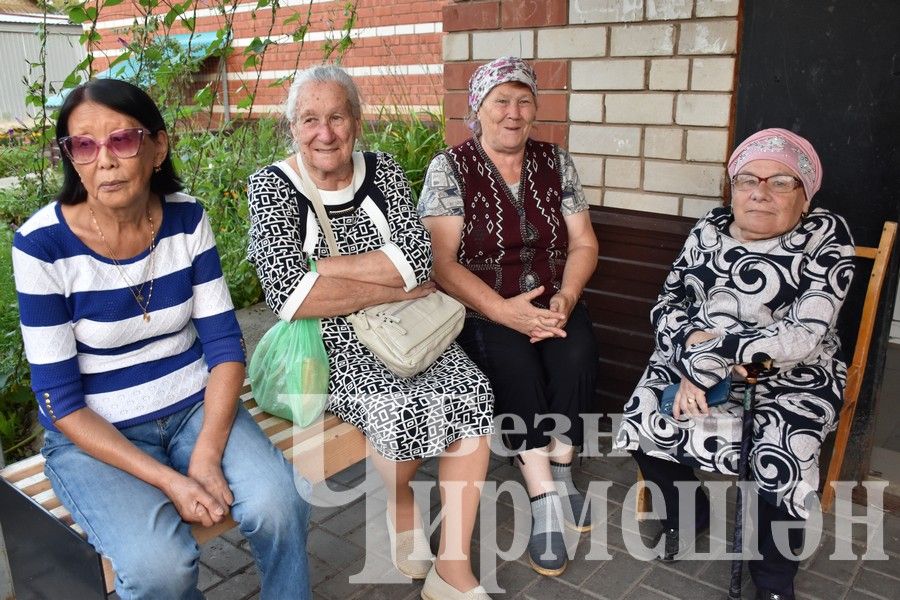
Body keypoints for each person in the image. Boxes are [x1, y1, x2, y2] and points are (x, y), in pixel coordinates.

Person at [12, 79, 311, 599]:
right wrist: (172, 481)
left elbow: (223, 348)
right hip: (97, 438)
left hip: (194, 409)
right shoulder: (41, 246)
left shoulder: (186, 217)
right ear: (70, 158)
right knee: (160, 568)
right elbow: (60, 401)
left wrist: (205, 456)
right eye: (83, 145)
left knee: (279, 503)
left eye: (122, 140)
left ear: (157, 147)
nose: (103, 160)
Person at [246, 65, 495, 600]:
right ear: (293, 127)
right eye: (309, 120)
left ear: (356, 120)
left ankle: (452, 569)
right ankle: (401, 505)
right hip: (328, 346)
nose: (325, 133)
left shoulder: (381, 171)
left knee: (473, 394)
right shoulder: (272, 186)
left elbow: (419, 259)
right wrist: (389, 281)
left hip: (409, 330)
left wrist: (323, 270)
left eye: (336, 116)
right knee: (396, 411)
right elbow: (288, 296)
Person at [615, 128, 856, 600]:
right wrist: (695, 360)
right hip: (691, 362)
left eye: (781, 182)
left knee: (783, 448)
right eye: (747, 180)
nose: (760, 193)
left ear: (805, 197)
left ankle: (771, 576)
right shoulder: (708, 227)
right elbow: (667, 305)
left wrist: (719, 360)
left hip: (793, 374)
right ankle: (689, 513)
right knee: (643, 416)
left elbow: (804, 332)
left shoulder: (827, 236)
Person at [418, 56, 599, 577]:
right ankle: (544, 496)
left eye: (524, 101)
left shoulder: (555, 161)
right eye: (501, 100)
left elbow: (584, 241)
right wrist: (502, 311)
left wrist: (565, 296)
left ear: (536, 109)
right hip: (485, 308)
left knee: (578, 356)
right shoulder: (449, 168)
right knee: (514, 366)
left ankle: (563, 468)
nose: (513, 113)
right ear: (478, 108)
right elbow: (442, 262)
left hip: (553, 300)